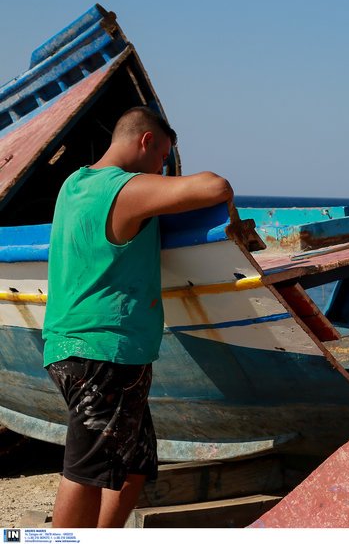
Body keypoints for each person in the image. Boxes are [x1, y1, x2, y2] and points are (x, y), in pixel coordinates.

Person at [42, 106, 233, 527]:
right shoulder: (124, 189)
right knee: (87, 472)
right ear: (147, 142)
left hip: (78, 347)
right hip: (104, 353)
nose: (162, 167)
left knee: (134, 465)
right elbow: (215, 186)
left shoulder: (75, 184)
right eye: (163, 157)